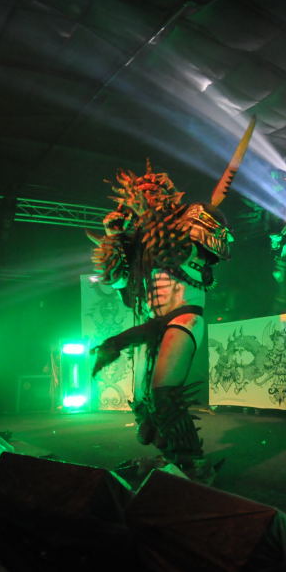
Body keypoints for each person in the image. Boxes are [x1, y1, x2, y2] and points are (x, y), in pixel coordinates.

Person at [89, 120, 256, 480]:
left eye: (153, 191)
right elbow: (118, 281)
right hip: (152, 324)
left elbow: (211, 250)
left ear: (165, 193)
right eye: (141, 194)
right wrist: (114, 239)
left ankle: (192, 465)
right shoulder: (135, 244)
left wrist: (176, 229)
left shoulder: (190, 219)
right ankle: (170, 454)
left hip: (183, 315)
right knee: (144, 404)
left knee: (165, 392)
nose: (146, 197)